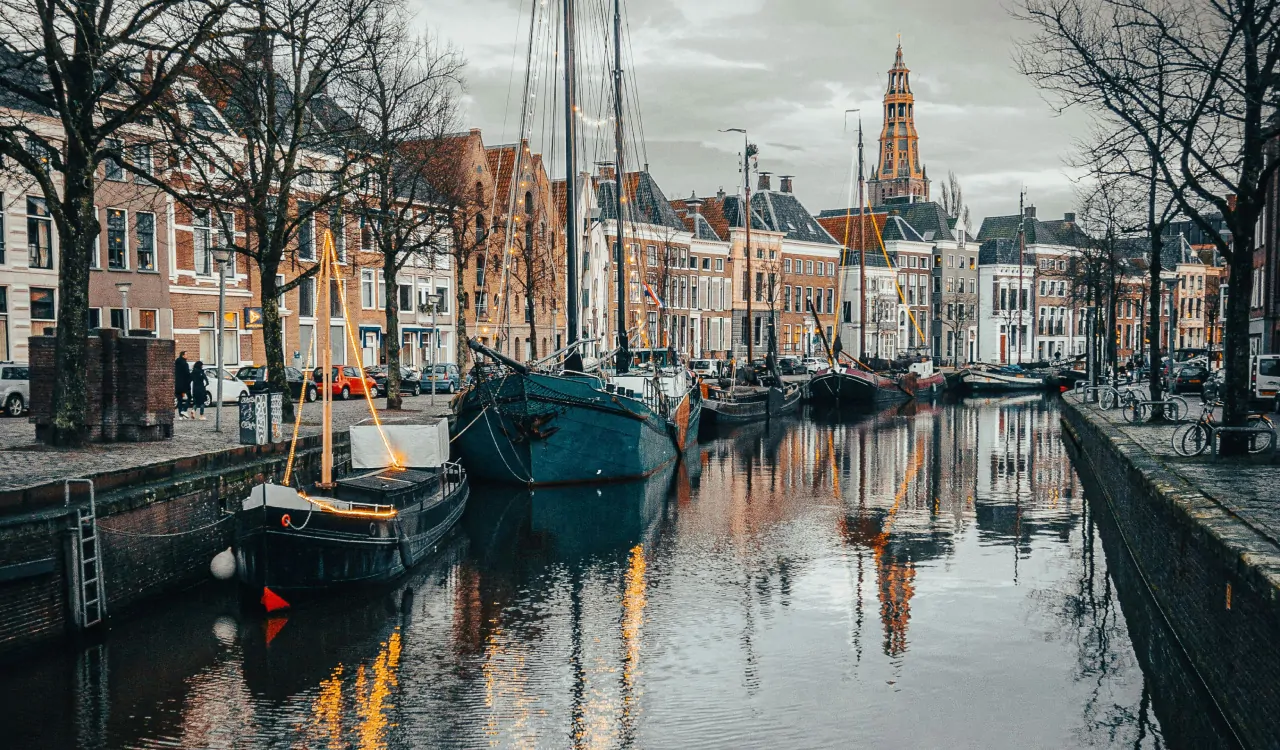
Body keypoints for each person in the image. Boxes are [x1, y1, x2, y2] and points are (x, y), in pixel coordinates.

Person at [174, 351, 191, 419]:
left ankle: (180, 416)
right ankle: (184, 410)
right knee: (190, 397)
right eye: (186, 354)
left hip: (177, 384)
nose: (187, 356)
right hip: (184, 384)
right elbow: (187, 374)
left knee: (179, 400)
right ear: (183, 355)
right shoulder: (185, 364)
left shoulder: (176, 363)